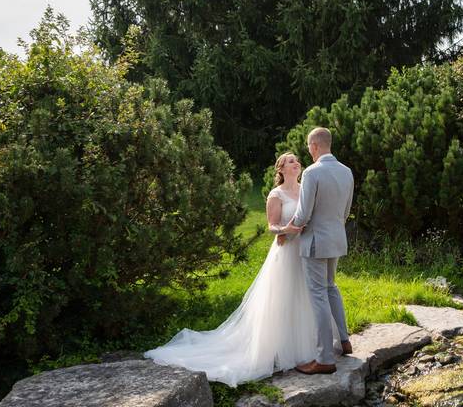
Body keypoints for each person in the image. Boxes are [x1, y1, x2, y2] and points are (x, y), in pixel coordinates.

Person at [143, 153, 318, 386]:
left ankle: (308, 345)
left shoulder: (305, 188)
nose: (296, 163)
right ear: (281, 169)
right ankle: (278, 350)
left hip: (305, 252)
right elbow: (271, 226)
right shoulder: (276, 195)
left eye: (297, 160)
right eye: (290, 161)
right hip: (286, 253)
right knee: (283, 299)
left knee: (306, 296)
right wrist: (286, 229)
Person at [282, 127, 354, 374]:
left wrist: (286, 229)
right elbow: (345, 211)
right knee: (331, 287)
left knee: (318, 295)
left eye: (308, 147)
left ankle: (324, 358)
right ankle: (344, 341)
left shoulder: (313, 173)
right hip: (336, 239)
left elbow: (303, 214)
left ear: (314, 146)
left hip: (314, 241)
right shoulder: (347, 171)